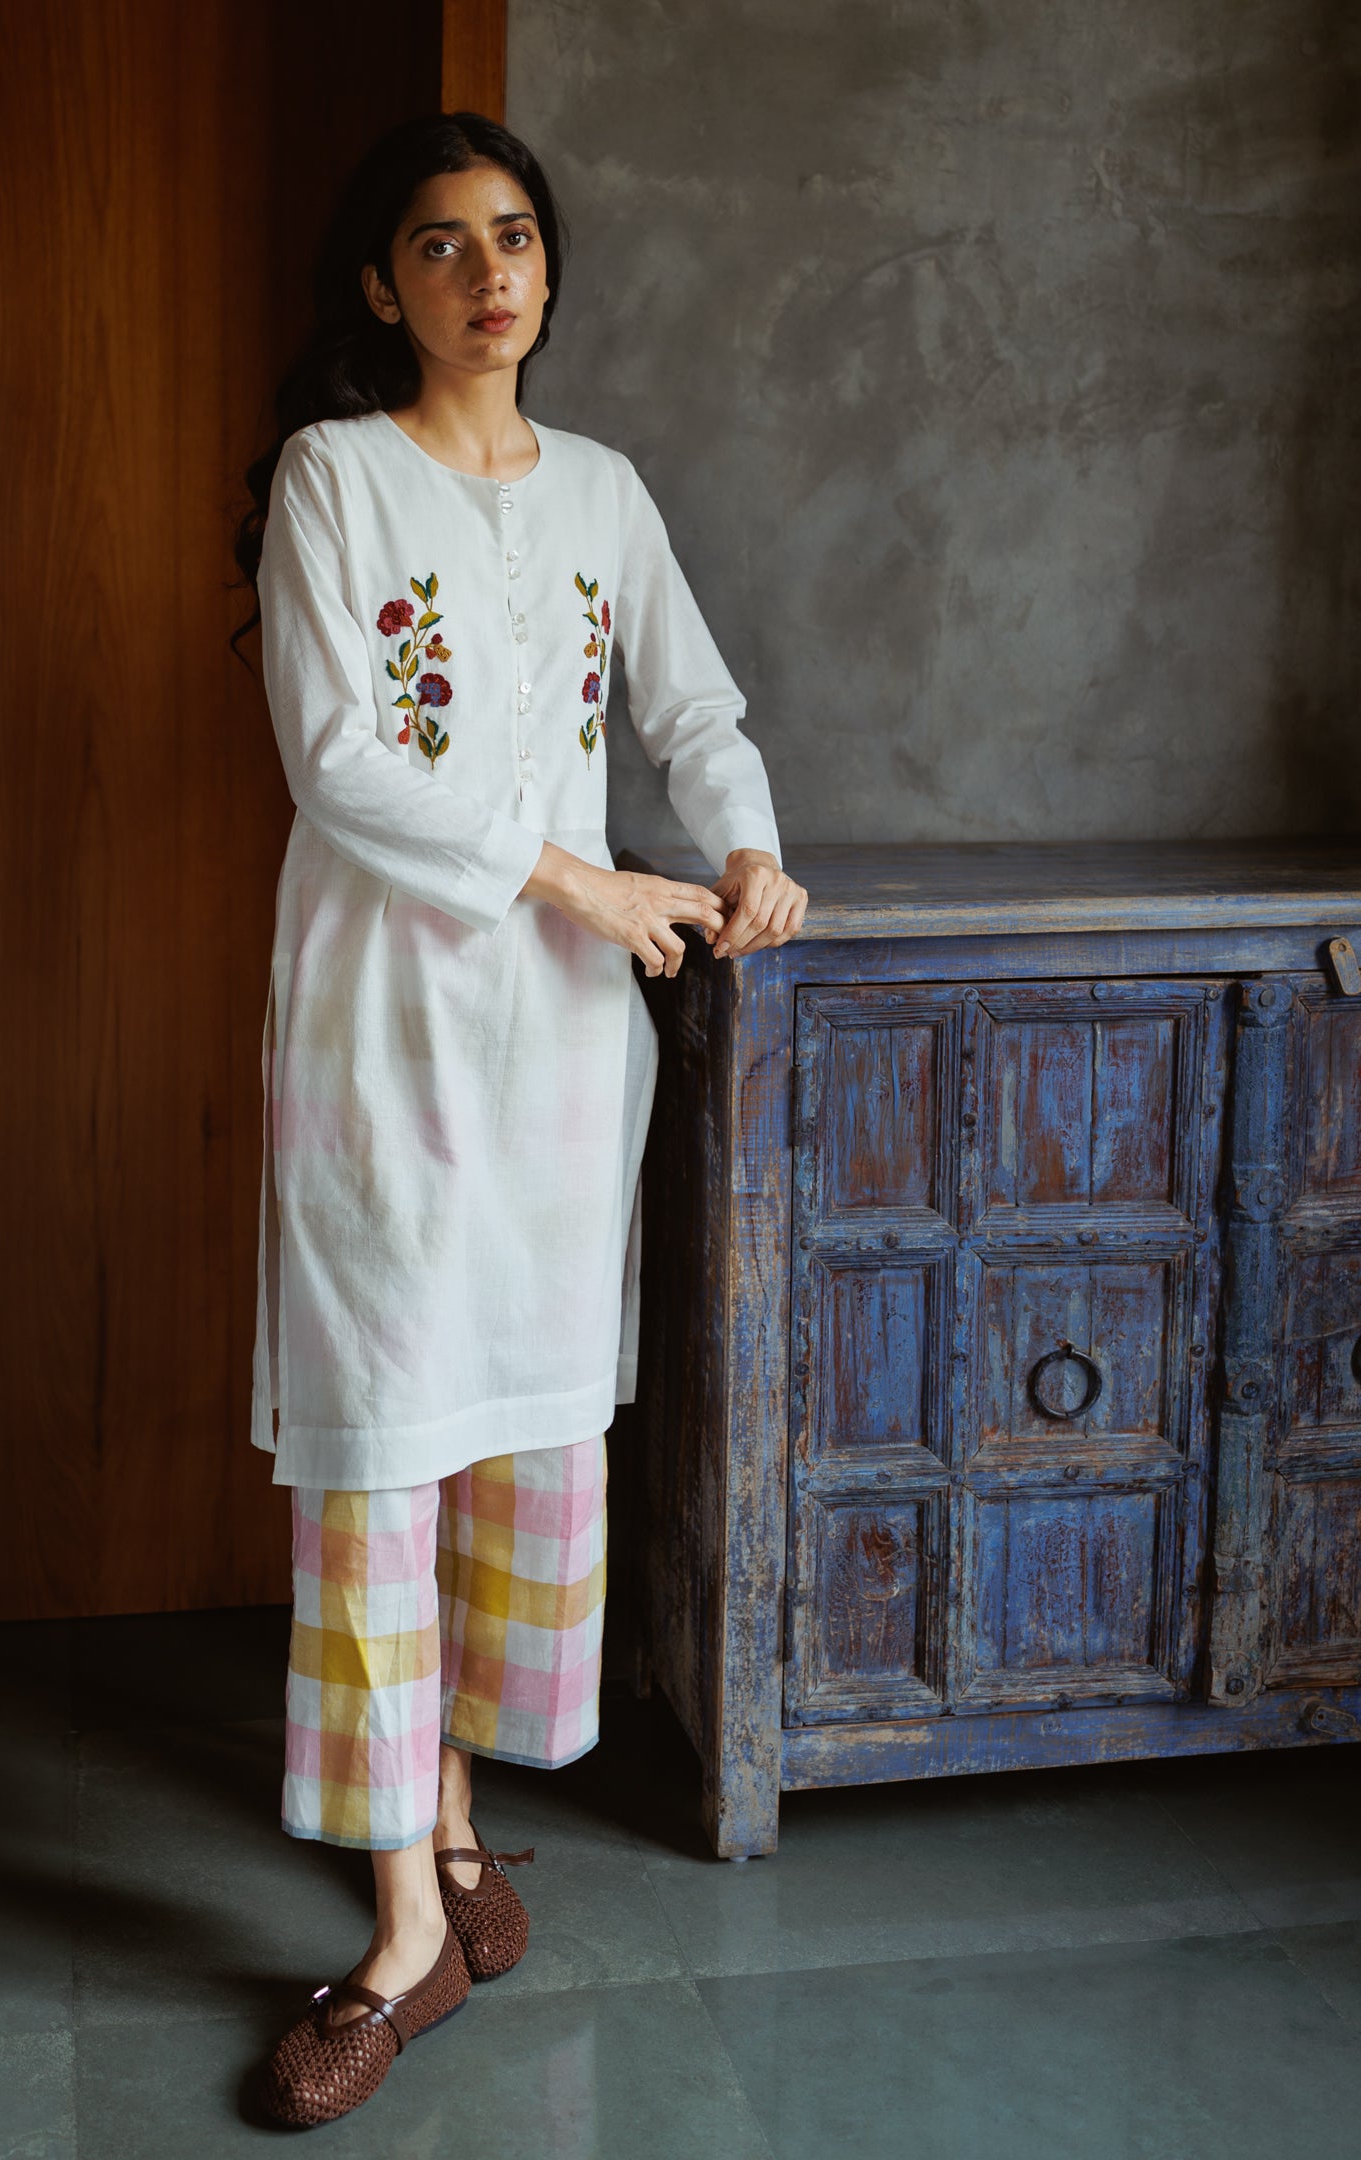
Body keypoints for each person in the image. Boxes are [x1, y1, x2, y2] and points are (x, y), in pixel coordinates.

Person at [232, 110, 807, 2127]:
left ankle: (456, 1822)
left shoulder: (605, 494)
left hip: (565, 1048)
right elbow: (339, 761)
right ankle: (406, 1931)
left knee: (515, 1434)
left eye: (516, 236)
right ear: (380, 283)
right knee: (385, 1440)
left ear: (548, 268)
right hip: (388, 1026)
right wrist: (578, 876)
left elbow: (692, 708)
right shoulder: (335, 478)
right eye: (442, 242)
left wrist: (747, 847)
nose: (490, 272)